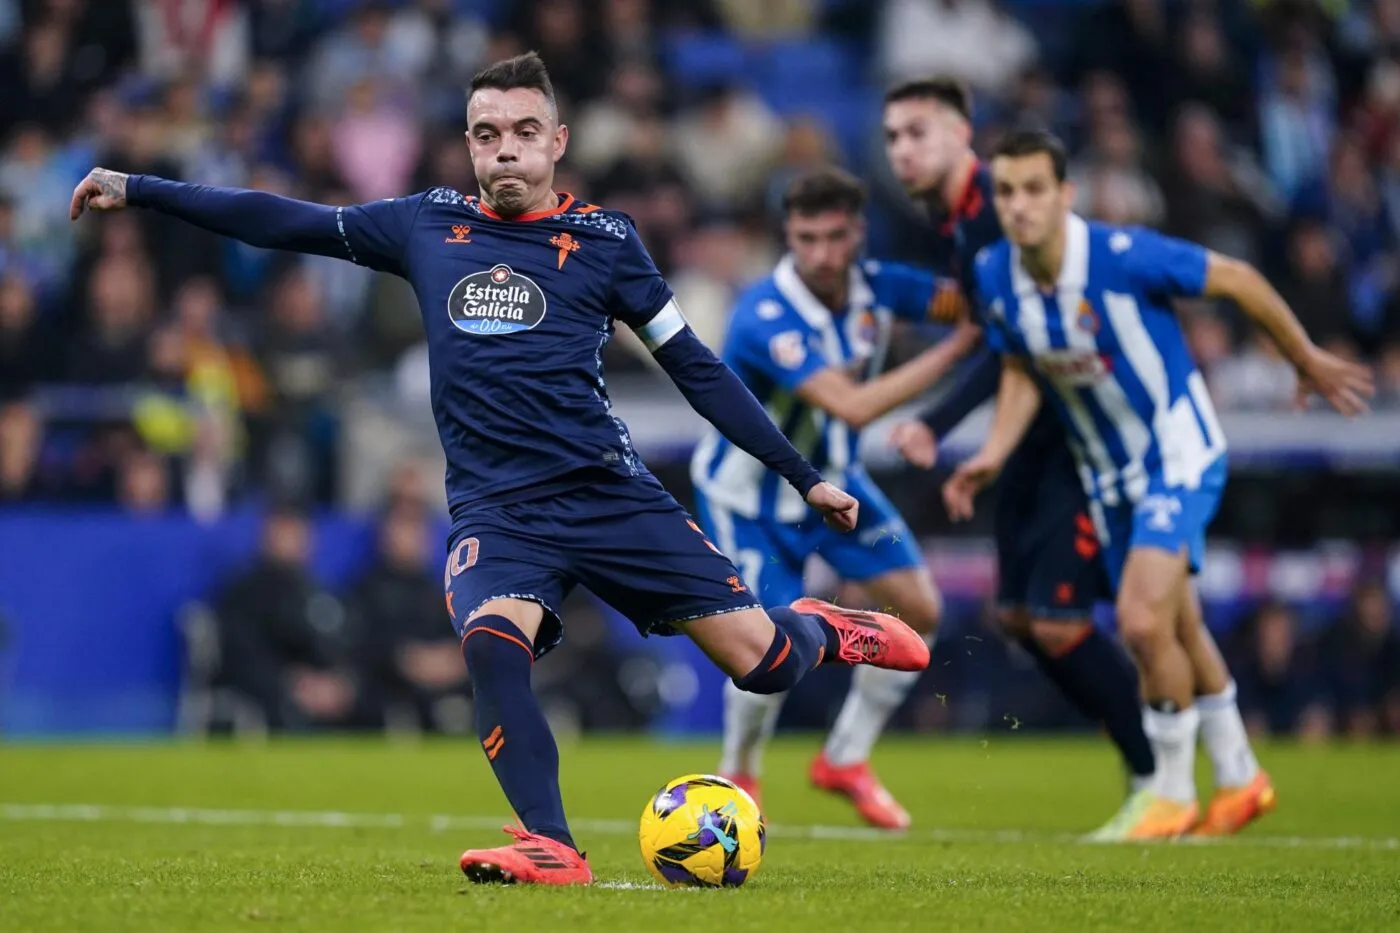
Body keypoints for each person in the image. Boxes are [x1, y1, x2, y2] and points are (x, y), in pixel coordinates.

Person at [69, 52, 931, 884]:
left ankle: (823, 626)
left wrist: (802, 474)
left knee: (766, 663)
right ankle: (552, 843)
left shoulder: (606, 242)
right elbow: (280, 216)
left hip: (606, 492)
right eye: (487, 133)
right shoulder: (424, 224)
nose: (505, 146)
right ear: (470, 144)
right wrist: (140, 188)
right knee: (490, 642)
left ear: (557, 141)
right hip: (497, 511)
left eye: (524, 129)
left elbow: (696, 368)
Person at [945, 128, 1373, 839]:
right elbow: (1021, 364)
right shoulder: (995, 274)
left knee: (1142, 619)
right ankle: (1239, 777)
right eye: (1006, 192)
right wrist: (993, 450)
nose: (1018, 205)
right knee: (1177, 622)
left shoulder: (1120, 255)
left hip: (1176, 452)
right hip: (1106, 471)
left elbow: (1235, 276)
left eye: (1033, 190)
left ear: (1065, 195)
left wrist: (1302, 355)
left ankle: (1170, 791)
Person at [881, 78, 1159, 827]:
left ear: (962, 134)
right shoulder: (961, 223)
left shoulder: (996, 211)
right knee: (1016, 617)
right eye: (892, 137)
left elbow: (1020, 350)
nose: (901, 151)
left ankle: (1157, 771)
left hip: (1076, 435)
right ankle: (1147, 744)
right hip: (1031, 443)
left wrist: (936, 422)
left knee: (1061, 621)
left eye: (918, 133)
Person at [693, 166, 979, 829]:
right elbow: (850, 404)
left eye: (834, 237)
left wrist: (982, 299)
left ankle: (845, 757)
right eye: (805, 238)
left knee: (920, 608)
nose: (820, 253)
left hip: (840, 485)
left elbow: (965, 301)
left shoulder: (882, 289)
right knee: (761, 643)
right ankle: (741, 772)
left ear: (859, 234)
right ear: (788, 237)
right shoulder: (766, 315)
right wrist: (959, 349)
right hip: (753, 498)